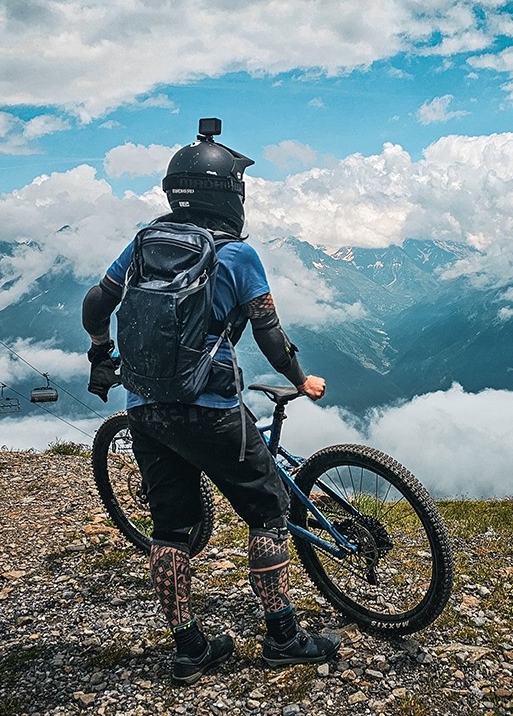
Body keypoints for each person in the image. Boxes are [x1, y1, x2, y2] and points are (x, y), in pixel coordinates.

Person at [80, 119, 341, 685]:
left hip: (145, 409)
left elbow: (95, 302)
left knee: (171, 530)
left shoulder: (146, 242)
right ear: (230, 193)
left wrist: (102, 352)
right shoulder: (236, 255)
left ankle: (189, 647)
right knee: (268, 513)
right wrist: (302, 376)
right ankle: (284, 637)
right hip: (213, 411)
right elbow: (269, 334)